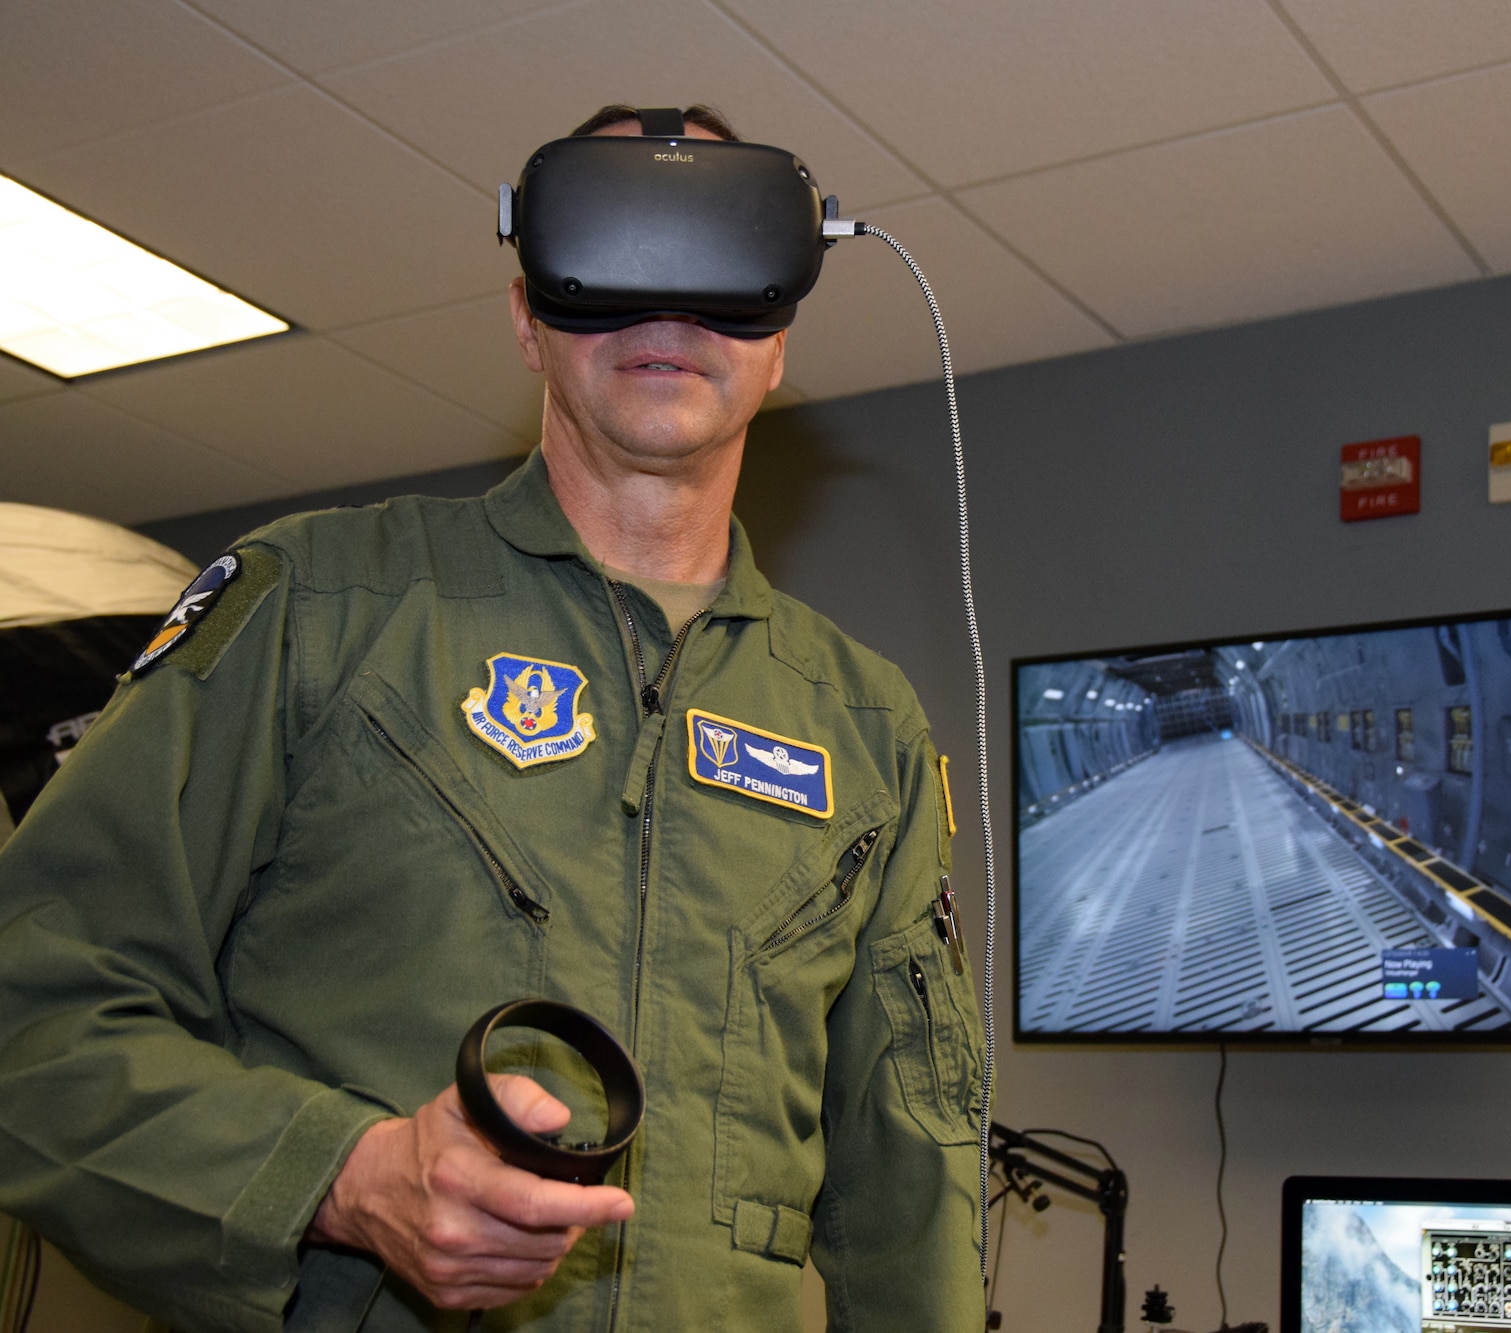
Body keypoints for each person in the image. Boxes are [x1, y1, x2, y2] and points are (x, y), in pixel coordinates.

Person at [0, 104, 984, 1332]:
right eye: (609, 255)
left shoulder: (863, 724)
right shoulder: (320, 605)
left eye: (723, 264)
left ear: (781, 337)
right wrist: (341, 1178)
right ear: (526, 315)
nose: (665, 310)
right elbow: (32, 1007)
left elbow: (909, 1172)